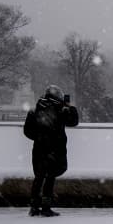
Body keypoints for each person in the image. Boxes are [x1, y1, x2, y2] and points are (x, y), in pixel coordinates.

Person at [23, 85, 79, 217]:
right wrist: (70, 107)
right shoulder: (60, 108)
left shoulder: (35, 108)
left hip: (39, 149)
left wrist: (40, 138)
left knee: (39, 178)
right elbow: (73, 122)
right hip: (55, 149)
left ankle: (34, 207)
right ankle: (46, 207)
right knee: (50, 178)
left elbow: (27, 131)